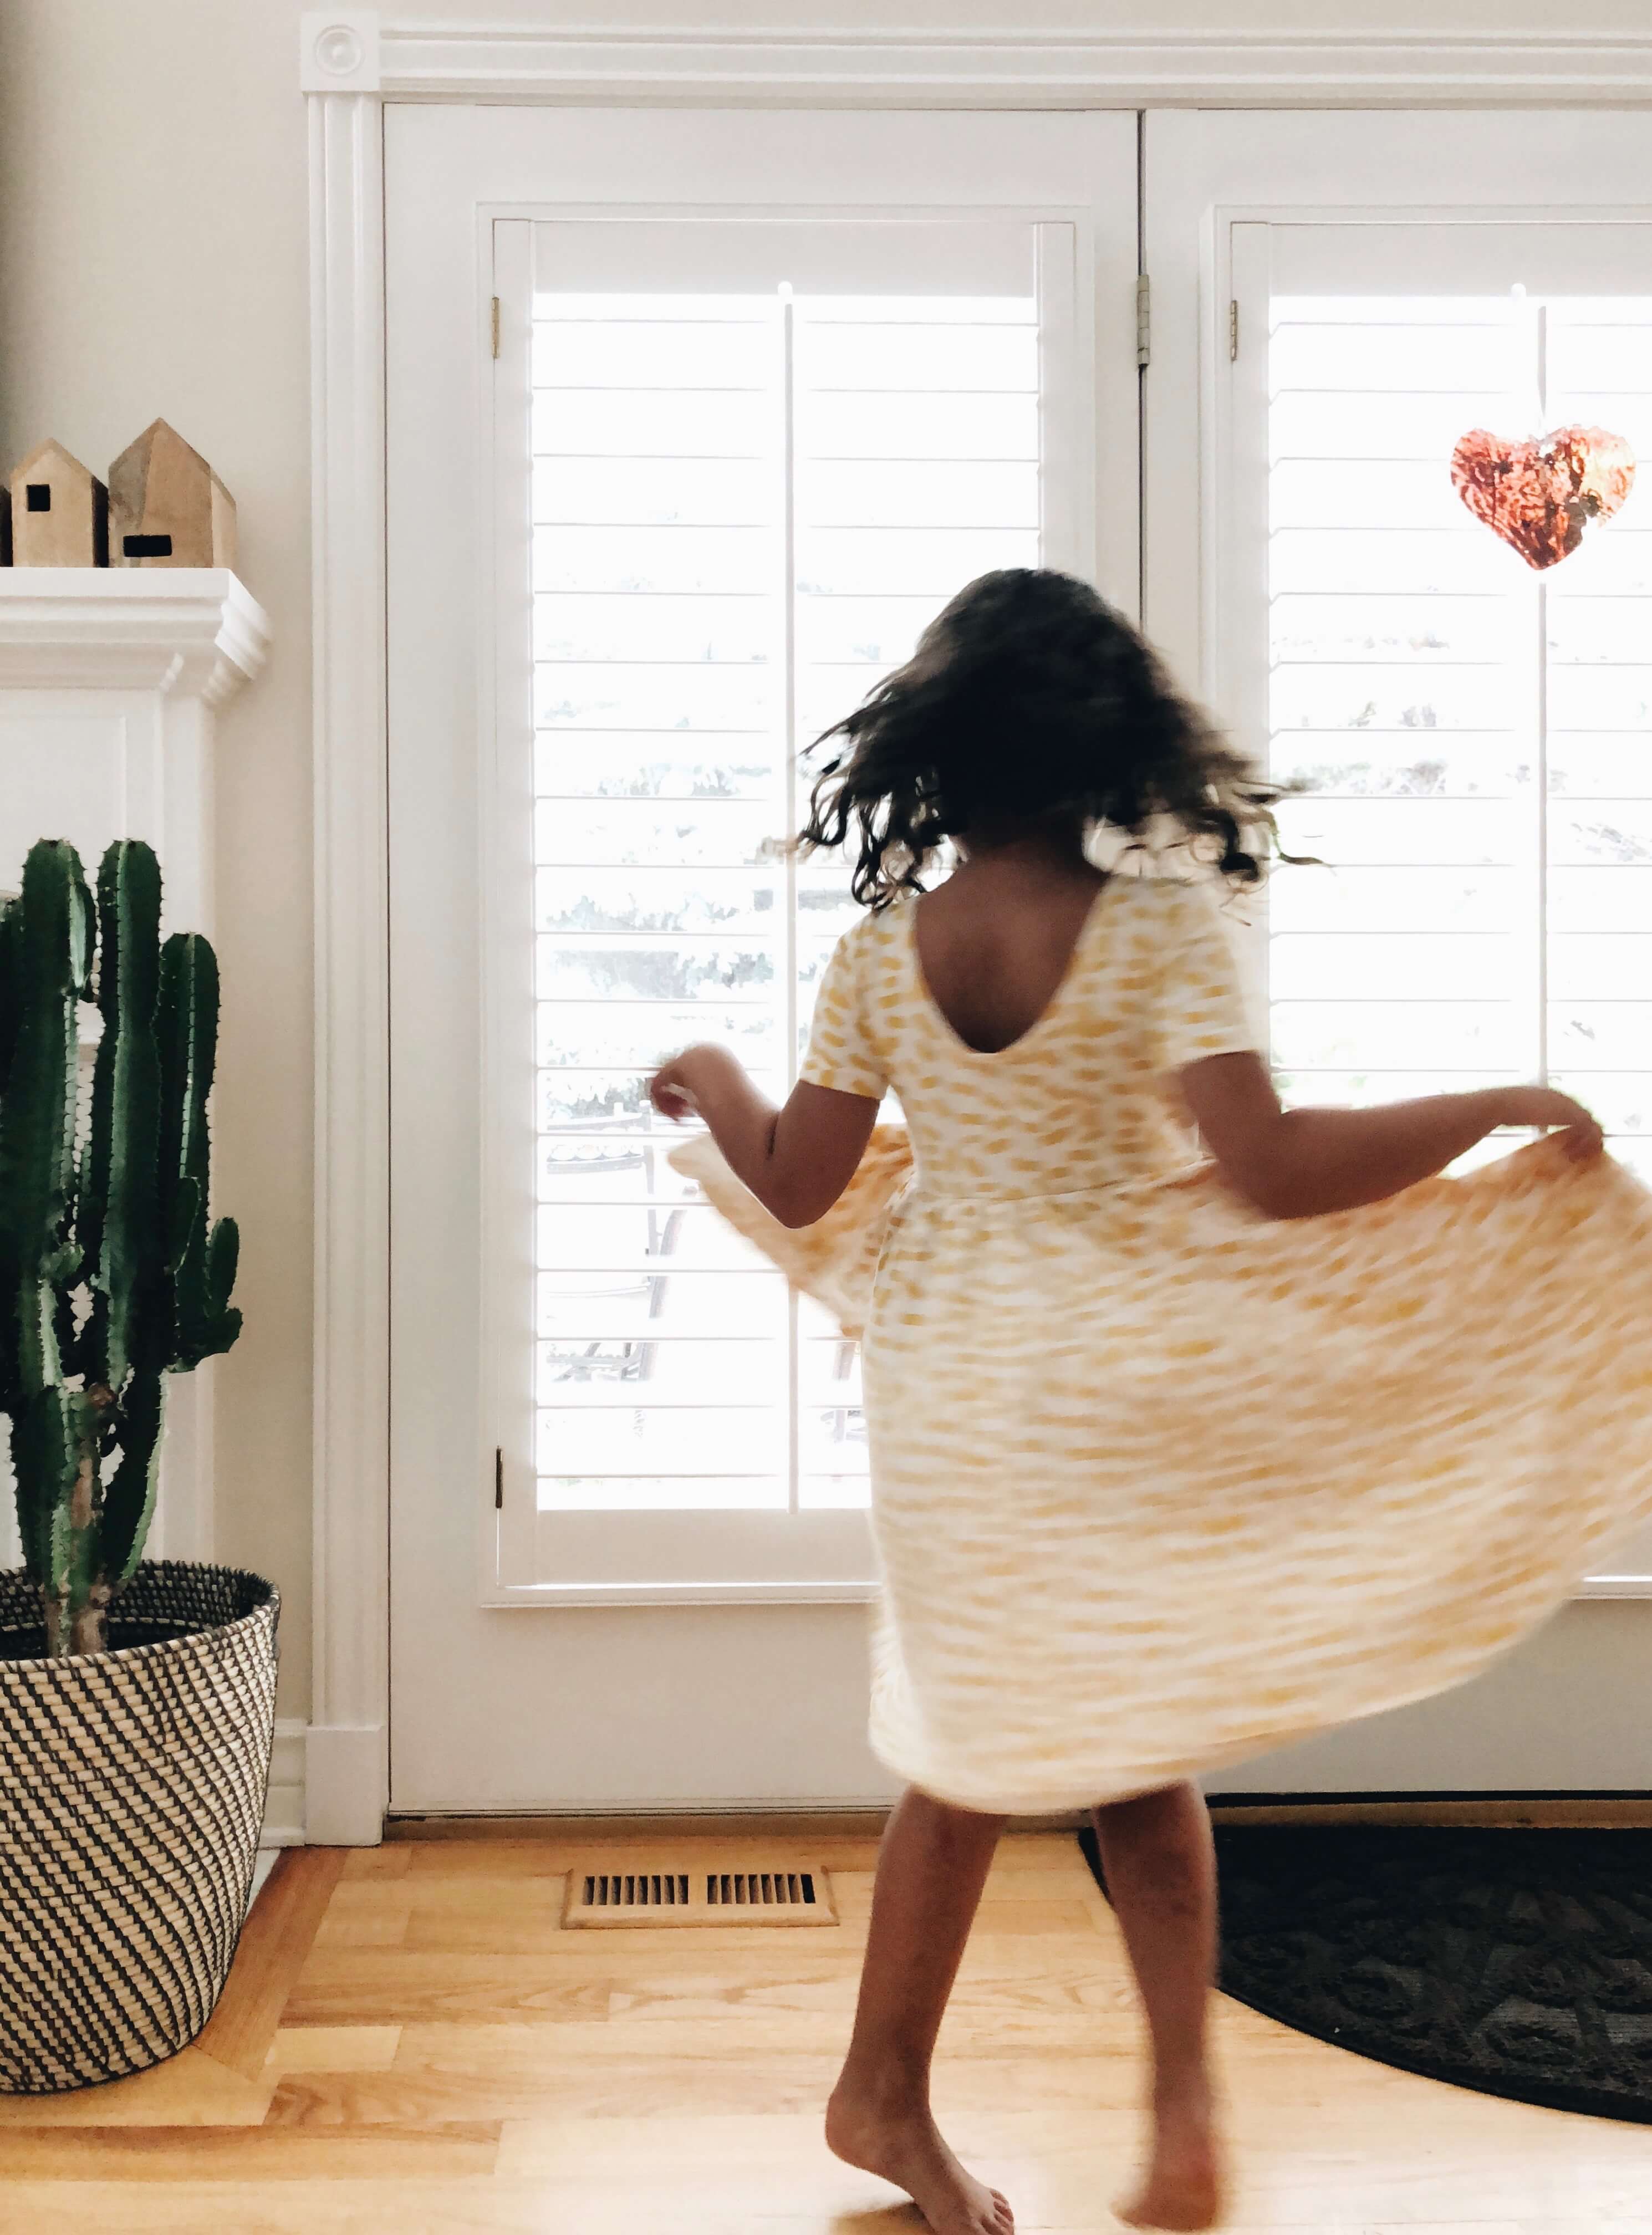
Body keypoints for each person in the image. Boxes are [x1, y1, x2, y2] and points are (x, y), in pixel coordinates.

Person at [645, 568, 1652, 2235]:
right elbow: (1271, 1171)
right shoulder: (1156, 925)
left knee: (973, 1750)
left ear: (934, 755)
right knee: (1133, 1739)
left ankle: (889, 2091)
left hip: (955, 1380)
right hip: (1112, 1374)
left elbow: (804, 1189)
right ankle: (1168, 2115)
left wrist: (718, 1069)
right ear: (1113, 747)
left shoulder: (887, 955)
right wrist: (1477, 1106)